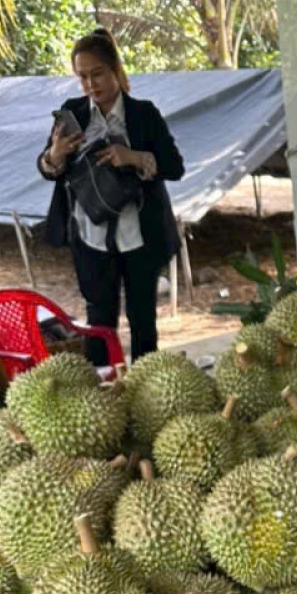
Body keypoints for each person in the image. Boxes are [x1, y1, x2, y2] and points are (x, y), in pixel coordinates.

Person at [37, 28, 185, 366]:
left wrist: (133, 157)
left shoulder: (144, 114)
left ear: (115, 69)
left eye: (98, 74)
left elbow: (175, 167)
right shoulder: (72, 113)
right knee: (99, 323)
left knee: (143, 319)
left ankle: (147, 385)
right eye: (82, 77)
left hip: (140, 235)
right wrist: (55, 154)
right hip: (90, 237)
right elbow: (47, 170)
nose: (91, 84)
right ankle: (103, 389)